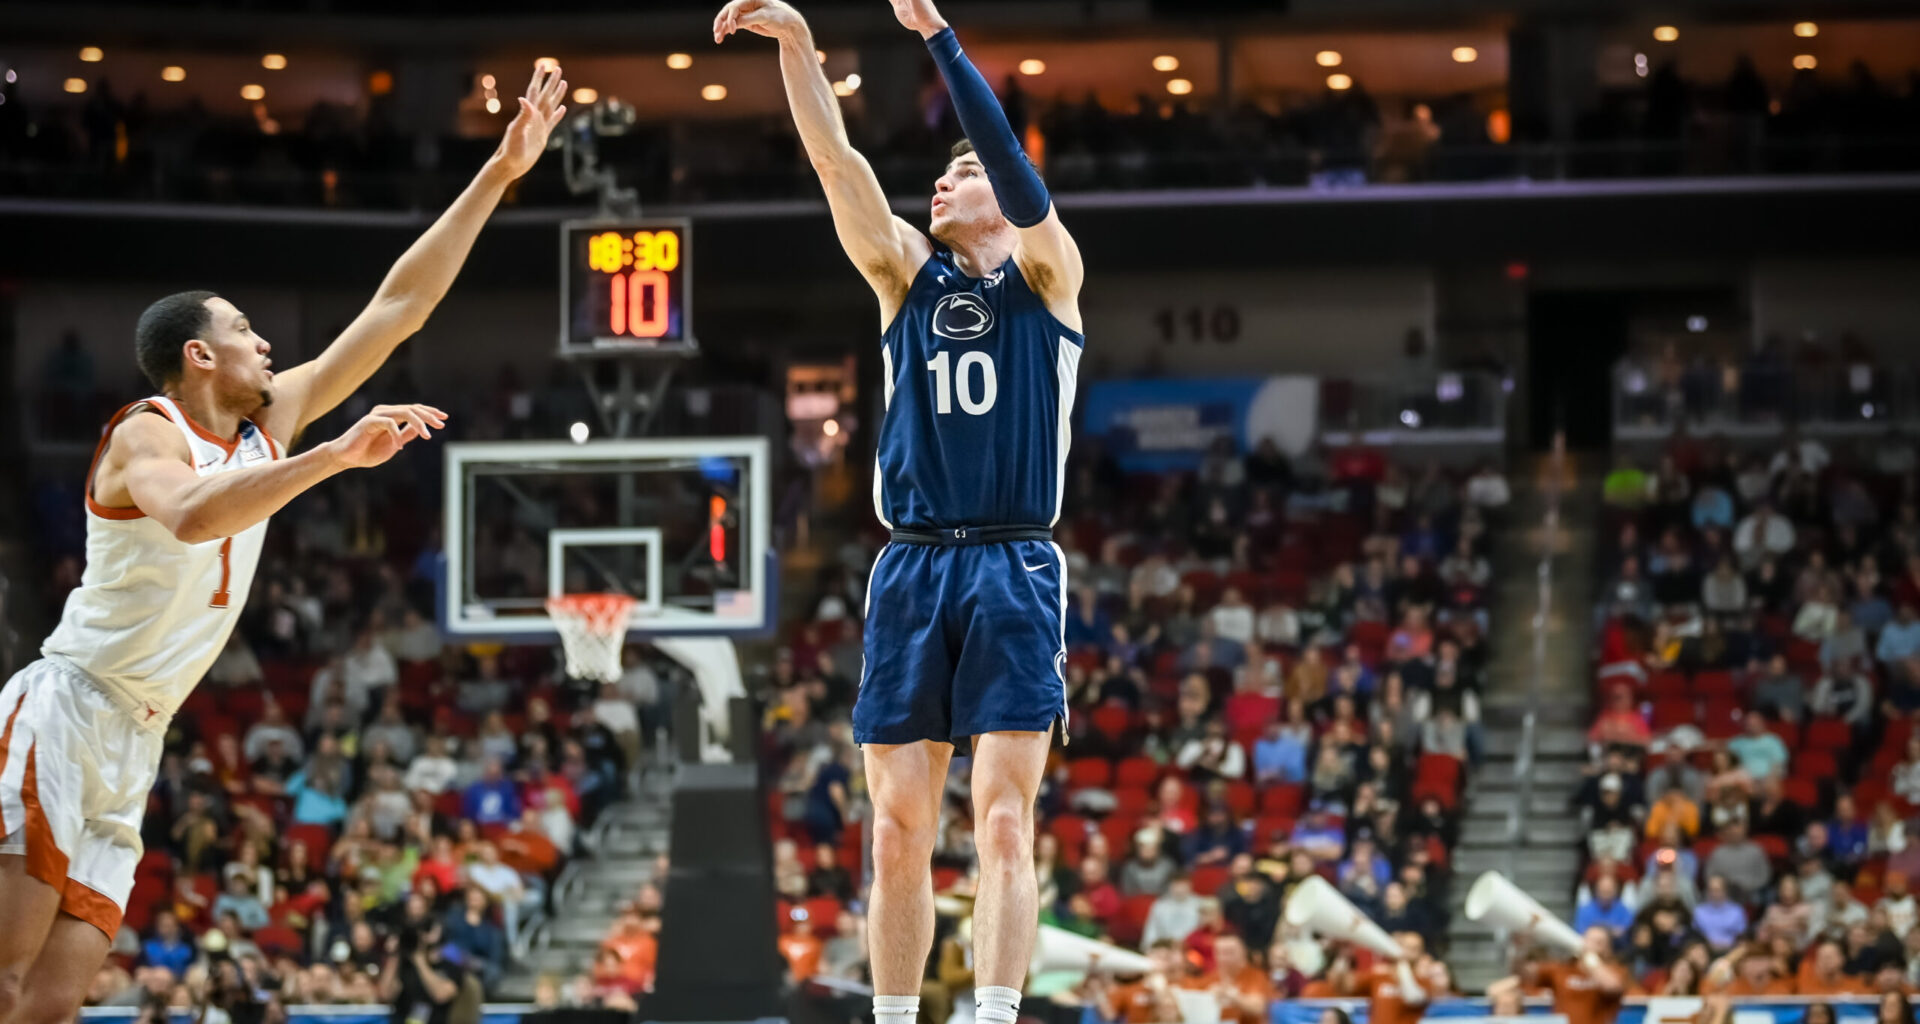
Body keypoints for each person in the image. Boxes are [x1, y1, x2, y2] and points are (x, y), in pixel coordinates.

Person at [0, 68, 567, 1024]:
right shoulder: (148, 432)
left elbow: (399, 307)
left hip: (140, 736)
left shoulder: (267, 426)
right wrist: (338, 458)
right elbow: (190, 515)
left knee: (50, 1006)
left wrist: (501, 174)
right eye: (245, 330)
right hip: (69, 711)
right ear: (199, 355)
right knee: (6, 979)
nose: (267, 345)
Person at [715, 5, 1087, 1024]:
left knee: (1005, 824)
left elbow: (1016, 173)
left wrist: (939, 40)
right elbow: (838, 167)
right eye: (940, 175)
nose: (941, 184)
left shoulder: (1050, 276)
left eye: (959, 176)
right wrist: (799, 47)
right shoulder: (902, 278)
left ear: (1002, 201)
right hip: (912, 563)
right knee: (893, 830)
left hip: (1014, 562)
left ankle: (997, 1012)